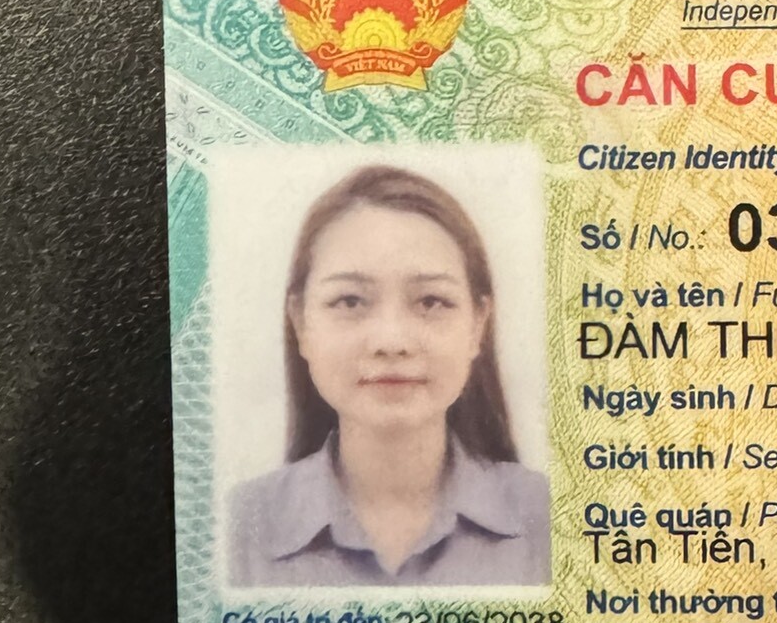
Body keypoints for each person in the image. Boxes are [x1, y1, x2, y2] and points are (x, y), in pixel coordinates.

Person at [226, 163, 549, 587]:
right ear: (301, 323)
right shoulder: (234, 529)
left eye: (431, 301)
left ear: (477, 325)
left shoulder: (553, 518)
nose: (391, 341)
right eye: (350, 301)